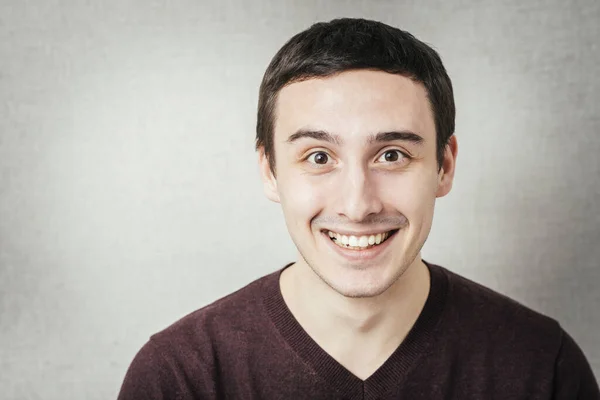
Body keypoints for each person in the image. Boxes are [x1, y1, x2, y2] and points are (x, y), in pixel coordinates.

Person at [117, 18, 599, 399]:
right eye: (319, 157)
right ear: (269, 171)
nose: (357, 205)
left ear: (444, 166)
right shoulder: (181, 378)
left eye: (392, 155)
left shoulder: (542, 367)